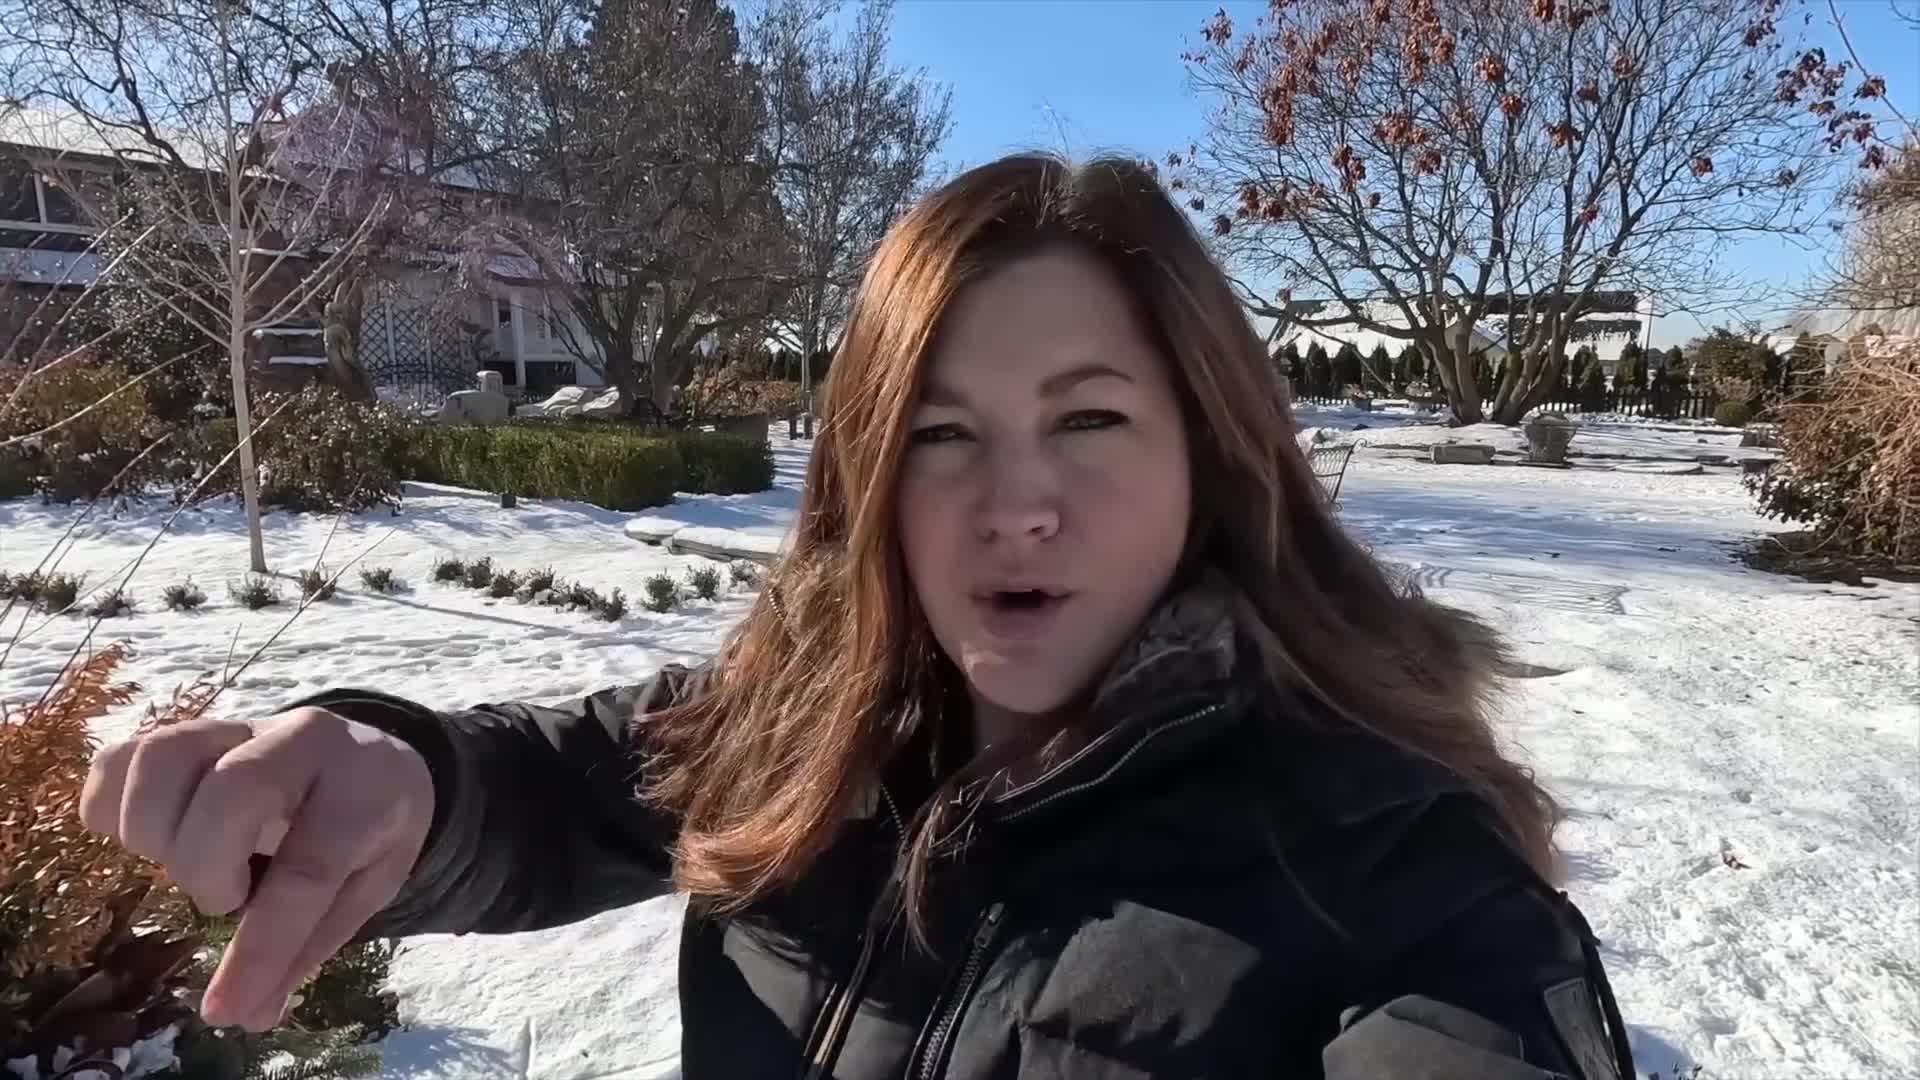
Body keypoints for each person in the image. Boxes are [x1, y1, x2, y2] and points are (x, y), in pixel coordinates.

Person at [81, 155, 1636, 1079]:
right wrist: (407, 782)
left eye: (1089, 422)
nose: (1010, 502)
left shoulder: (1406, 876)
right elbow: (557, 785)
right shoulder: (819, 723)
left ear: (1208, 458)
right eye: (940, 435)